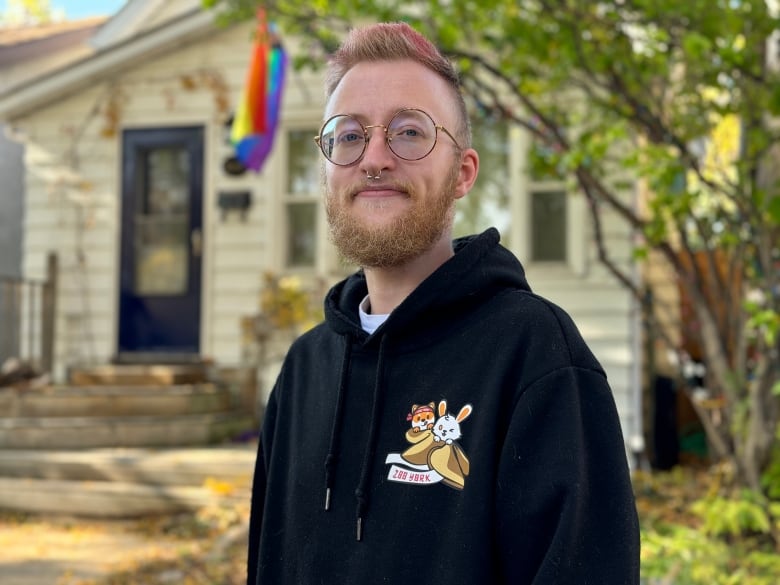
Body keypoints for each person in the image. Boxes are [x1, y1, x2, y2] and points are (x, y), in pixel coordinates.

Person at [246, 21, 640, 585]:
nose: (374, 156)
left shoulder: (536, 355)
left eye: (409, 132)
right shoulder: (304, 370)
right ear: (327, 166)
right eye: (349, 134)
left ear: (463, 173)